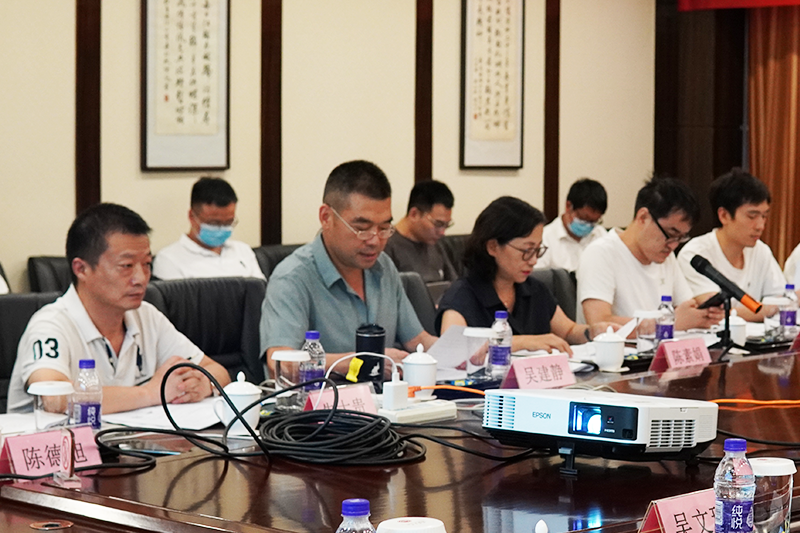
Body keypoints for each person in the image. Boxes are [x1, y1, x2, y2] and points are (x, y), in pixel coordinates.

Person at [7, 203, 231, 414]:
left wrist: (202, 385)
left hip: (130, 441)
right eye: (126, 266)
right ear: (81, 269)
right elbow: (55, 399)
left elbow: (217, 371)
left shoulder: (146, 316)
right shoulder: (50, 325)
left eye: (146, 264)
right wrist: (149, 393)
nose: (141, 278)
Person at [260, 160, 437, 377]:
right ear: (326, 217)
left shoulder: (383, 266)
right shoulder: (292, 278)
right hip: (326, 397)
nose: (375, 241)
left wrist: (463, 350)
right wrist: (360, 363)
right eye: (362, 228)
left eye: (384, 228)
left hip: (386, 395)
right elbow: (280, 362)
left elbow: (418, 340)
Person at [436, 196, 618, 355]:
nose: (533, 260)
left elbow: (569, 330)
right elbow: (453, 350)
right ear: (493, 247)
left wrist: (592, 331)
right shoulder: (462, 295)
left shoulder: (535, 289)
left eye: (537, 250)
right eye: (526, 251)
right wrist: (523, 343)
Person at [577, 176, 723, 330]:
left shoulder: (666, 257)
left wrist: (702, 316)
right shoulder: (600, 253)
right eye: (670, 234)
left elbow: (686, 308)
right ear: (643, 217)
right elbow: (599, 322)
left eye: (680, 238)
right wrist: (668, 324)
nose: (673, 245)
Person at [677, 169, 786, 322]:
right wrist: (765, 310)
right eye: (752, 216)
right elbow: (714, 313)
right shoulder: (695, 254)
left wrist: (733, 313)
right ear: (724, 215)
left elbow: (783, 304)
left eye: (764, 216)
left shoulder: (761, 251)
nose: (760, 226)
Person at [152, 177, 265, 280]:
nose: (221, 229)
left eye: (228, 222)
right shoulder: (169, 260)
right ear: (192, 216)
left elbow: (261, 291)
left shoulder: (243, 251)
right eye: (214, 223)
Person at [383, 180, 458, 283]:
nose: (442, 232)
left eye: (446, 225)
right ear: (414, 214)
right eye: (438, 224)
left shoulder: (435, 244)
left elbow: (454, 284)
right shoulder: (386, 245)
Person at [536, 178, 608, 272]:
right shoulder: (545, 239)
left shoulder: (601, 236)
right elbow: (538, 277)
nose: (588, 225)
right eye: (583, 219)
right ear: (568, 206)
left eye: (593, 221)